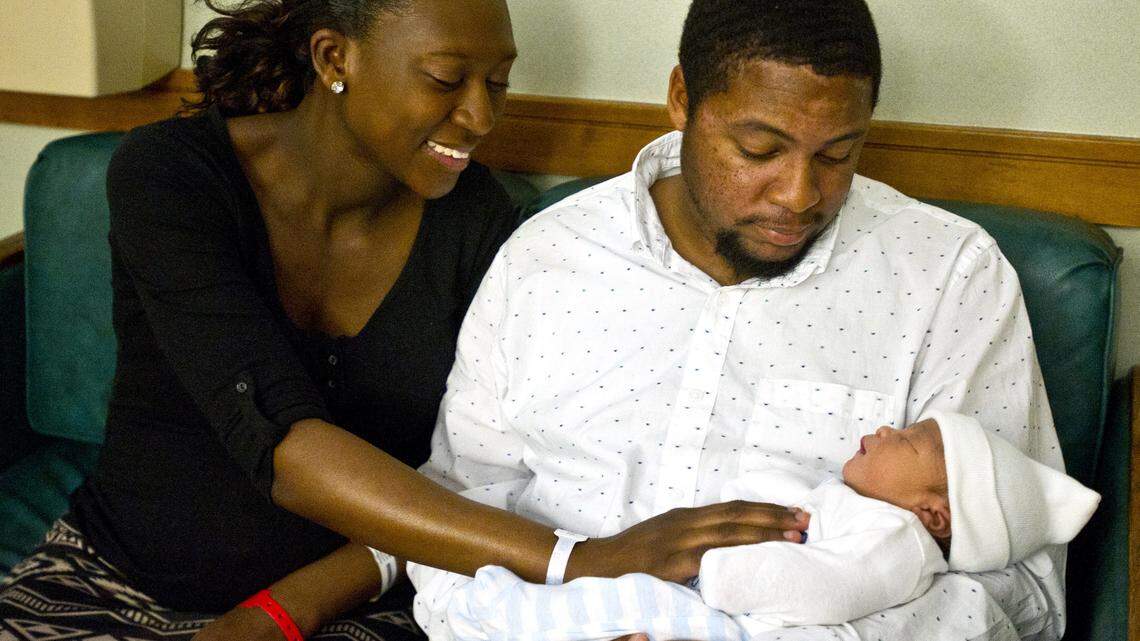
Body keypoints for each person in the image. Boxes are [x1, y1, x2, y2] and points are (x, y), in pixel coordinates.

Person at [0, 1, 808, 640]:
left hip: (361, 609)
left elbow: (474, 474)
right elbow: (282, 441)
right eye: (446, 78)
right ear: (333, 57)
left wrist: (284, 613)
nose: (481, 116)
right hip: (113, 579)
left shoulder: (485, 228)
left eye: (498, 81)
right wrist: (579, 560)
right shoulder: (172, 178)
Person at [408, 0, 1074, 639]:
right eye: (760, 149)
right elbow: (452, 514)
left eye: (838, 154)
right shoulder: (546, 258)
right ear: (682, 100)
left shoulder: (948, 275)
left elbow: (1021, 588)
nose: (799, 193)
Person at [433, 412, 1099, 641]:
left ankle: (487, 605)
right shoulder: (853, 502)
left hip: (735, 622)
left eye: (913, 441)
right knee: (606, 603)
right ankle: (489, 605)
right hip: (718, 605)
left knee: (625, 601)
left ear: (935, 513)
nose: (889, 429)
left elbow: (834, 588)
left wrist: (725, 569)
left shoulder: (899, 543)